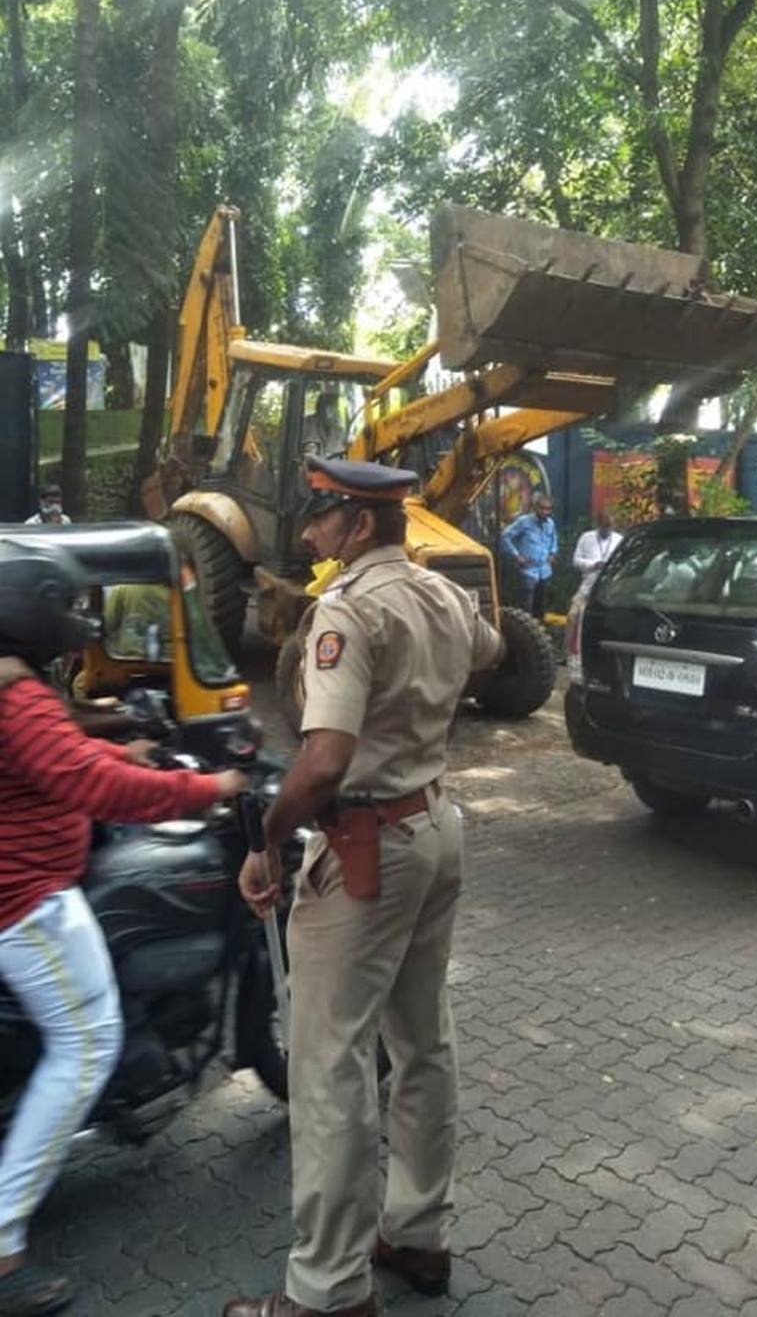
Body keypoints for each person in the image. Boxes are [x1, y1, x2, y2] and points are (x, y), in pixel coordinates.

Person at [223, 455, 504, 1317]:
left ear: (360, 524)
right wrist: (419, 706)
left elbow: (325, 760)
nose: (310, 533)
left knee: (328, 1061)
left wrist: (270, 839)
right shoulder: (441, 594)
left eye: (321, 516)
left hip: (366, 849)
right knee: (423, 1042)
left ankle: (327, 1288)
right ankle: (418, 1232)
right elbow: (491, 654)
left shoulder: (346, 610)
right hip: (435, 829)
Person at [0, 538, 245, 1317]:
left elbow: (58, 755)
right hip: (25, 899)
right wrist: (206, 786)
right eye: (66, 608)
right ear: (31, 611)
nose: (76, 622)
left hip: (29, 883)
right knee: (87, 1043)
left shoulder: (16, 684)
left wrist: (120, 743)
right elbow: (88, 782)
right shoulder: (15, 694)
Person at [500, 491, 558, 618]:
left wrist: (552, 553)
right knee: (526, 608)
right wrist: (516, 555)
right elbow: (505, 536)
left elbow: (554, 540)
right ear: (535, 507)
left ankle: (540, 627)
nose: (544, 512)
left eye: (548, 509)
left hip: (545, 570)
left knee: (541, 607)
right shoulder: (524, 521)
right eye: (542, 508)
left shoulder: (550, 524)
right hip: (528, 570)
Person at [572, 510, 623, 602]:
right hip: (588, 586)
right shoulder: (586, 537)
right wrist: (593, 565)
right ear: (598, 525)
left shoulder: (619, 540)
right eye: (604, 525)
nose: (607, 529)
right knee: (576, 608)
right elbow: (576, 561)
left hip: (611, 588)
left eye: (609, 525)